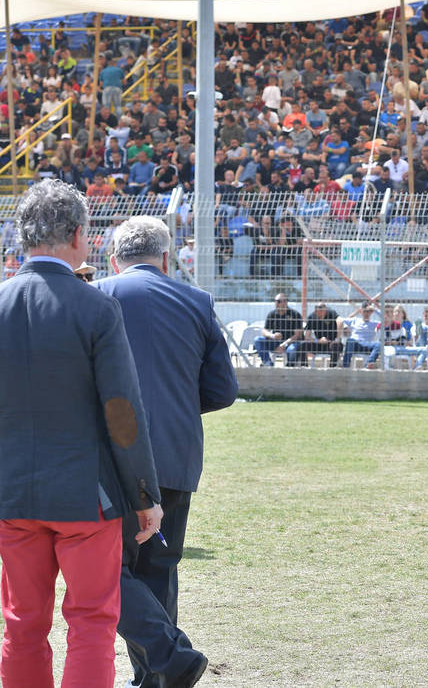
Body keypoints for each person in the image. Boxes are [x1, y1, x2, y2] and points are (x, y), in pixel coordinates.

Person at [0, 180, 163, 685]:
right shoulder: (95, 307)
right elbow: (121, 413)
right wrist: (144, 494)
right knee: (92, 620)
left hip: (11, 494)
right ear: (75, 234)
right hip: (84, 498)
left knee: (22, 625)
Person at [94, 216, 237, 687]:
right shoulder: (197, 301)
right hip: (176, 456)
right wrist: (174, 407)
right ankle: (158, 674)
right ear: (166, 258)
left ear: (114, 259)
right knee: (160, 567)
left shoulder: (100, 294)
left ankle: (167, 659)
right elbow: (222, 390)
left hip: (112, 458)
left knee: (104, 569)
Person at [254, 294, 305, 367]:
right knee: (258, 340)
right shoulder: (272, 314)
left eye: (279, 301)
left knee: (292, 349)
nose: (277, 303)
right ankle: (268, 363)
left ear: (285, 302)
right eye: (276, 301)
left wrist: (284, 344)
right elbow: (264, 331)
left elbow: (298, 335)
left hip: (290, 342)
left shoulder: (295, 314)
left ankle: (290, 367)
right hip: (275, 342)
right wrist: (272, 335)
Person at [299, 301, 343, 367]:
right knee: (303, 344)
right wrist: (318, 341)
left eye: (322, 311)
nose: (320, 314)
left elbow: (340, 321)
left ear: (325, 310)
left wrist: (336, 339)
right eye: (318, 312)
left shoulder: (331, 313)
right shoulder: (312, 317)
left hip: (332, 343)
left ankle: (332, 369)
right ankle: (304, 366)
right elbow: (306, 336)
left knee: (336, 346)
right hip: (318, 343)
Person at [341, 301, 382, 368]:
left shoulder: (375, 323)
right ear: (361, 311)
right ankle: (345, 366)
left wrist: (375, 310)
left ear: (371, 312)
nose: (366, 313)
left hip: (367, 345)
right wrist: (345, 327)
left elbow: (386, 319)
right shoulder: (355, 320)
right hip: (355, 344)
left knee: (378, 345)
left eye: (369, 311)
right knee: (350, 340)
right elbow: (339, 319)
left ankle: (368, 364)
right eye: (365, 311)